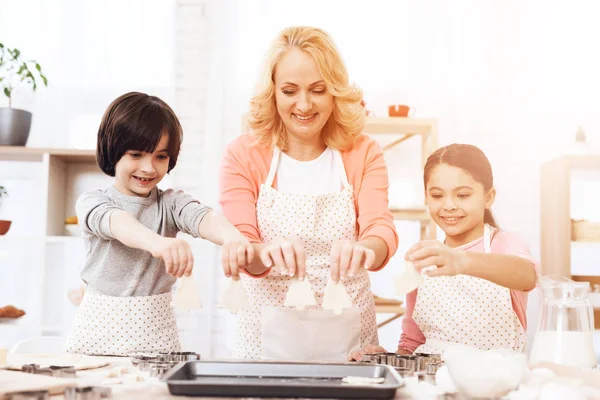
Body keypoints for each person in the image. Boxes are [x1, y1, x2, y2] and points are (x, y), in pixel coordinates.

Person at [219, 26, 398, 361]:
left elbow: (381, 230)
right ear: (272, 92)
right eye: (289, 90)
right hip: (265, 343)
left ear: (335, 92)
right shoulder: (243, 154)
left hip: (350, 342)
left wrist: (365, 250)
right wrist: (266, 254)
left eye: (318, 90)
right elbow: (243, 243)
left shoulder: (363, 152)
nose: (304, 104)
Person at [65, 92, 253, 355]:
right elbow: (117, 222)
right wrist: (157, 243)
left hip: (157, 342)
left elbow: (204, 217)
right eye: (136, 154)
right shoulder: (93, 202)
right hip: (95, 338)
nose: (149, 167)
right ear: (113, 150)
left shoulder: (171, 203)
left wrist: (232, 237)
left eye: (160, 156)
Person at [350, 143, 539, 360]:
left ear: (488, 197)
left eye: (463, 195)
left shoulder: (504, 244)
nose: (449, 205)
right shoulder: (424, 259)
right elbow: (412, 343)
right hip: (432, 386)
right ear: (426, 197)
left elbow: (528, 276)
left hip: (492, 385)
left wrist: (461, 260)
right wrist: (386, 359)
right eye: (438, 195)